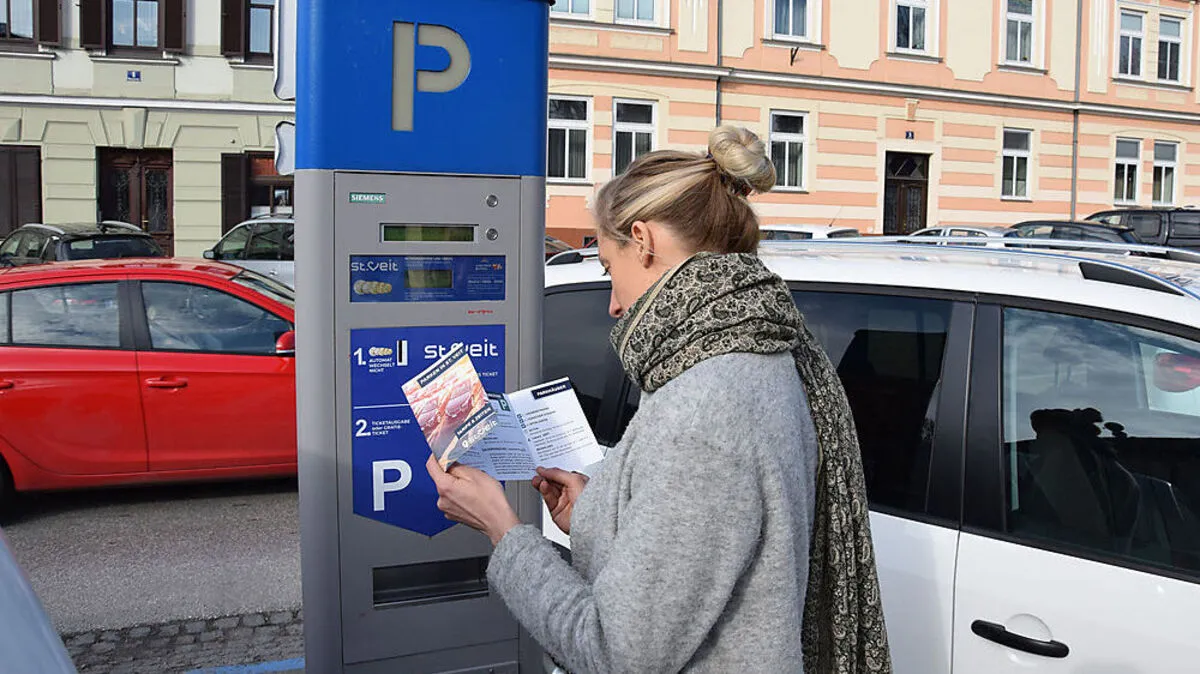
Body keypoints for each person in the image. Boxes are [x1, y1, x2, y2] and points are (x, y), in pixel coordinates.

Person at [426, 126, 892, 674]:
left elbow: (615, 654)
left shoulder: (704, 406)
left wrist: (501, 529)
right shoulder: (754, 349)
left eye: (607, 268)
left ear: (642, 241)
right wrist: (601, 515)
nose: (613, 305)